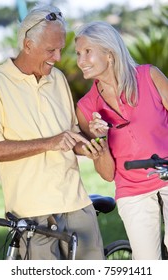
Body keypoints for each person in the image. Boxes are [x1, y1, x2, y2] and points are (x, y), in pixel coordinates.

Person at [0, 5, 105, 260]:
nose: (57, 57)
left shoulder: (57, 79)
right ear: (28, 44)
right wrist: (49, 143)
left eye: (60, 49)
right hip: (33, 214)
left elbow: (71, 136)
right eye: (50, 50)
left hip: (78, 204)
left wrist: (89, 144)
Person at [74, 21, 168, 260]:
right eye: (78, 54)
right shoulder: (86, 108)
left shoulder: (149, 77)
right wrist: (101, 139)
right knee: (146, 265)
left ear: (109, 53)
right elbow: (106, 174)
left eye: (87, 52)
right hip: (132, 191)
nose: (80, 60)